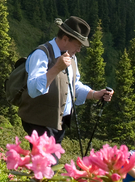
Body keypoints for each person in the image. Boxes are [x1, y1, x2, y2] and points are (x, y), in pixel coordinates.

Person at [18, 16, 114, 144]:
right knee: (45, 163)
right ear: (65, 39)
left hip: (59, 124)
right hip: (40, 122)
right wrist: (57, 67)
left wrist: (94, 94)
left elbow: (73, 85)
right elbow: (33, 88)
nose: (79, 50)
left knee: (49, 162)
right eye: (78, 45)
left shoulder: (71, 57)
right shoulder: (42, 54)